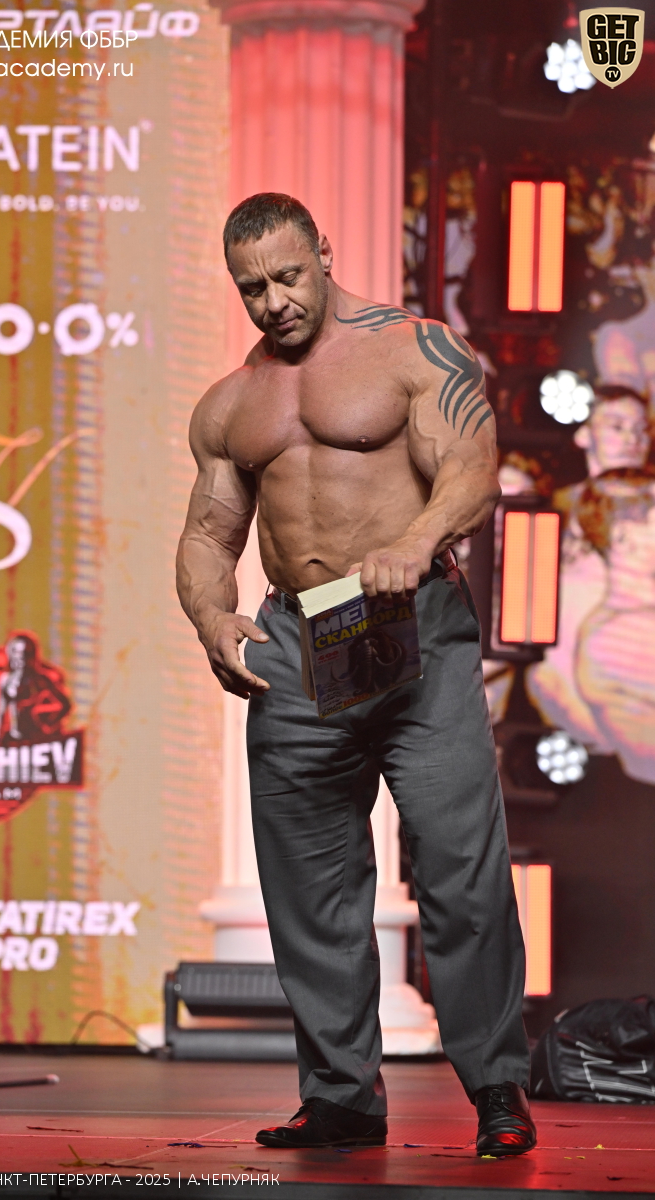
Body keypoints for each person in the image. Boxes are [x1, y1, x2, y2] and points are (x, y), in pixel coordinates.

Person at [176, 194, 535, 1155]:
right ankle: (341, 1096)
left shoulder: (416, 350)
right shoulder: (230, 403)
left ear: (325, 253)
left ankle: (498, 1087)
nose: (275, 301)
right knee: (310, 883)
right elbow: (208, 533)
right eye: (253, 288)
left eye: (289, 276)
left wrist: (416, 542)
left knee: (460, 868)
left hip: (411, 623)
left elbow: (474, 471)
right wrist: (212, 617)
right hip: (299, 641)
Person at [526, 386, 653, 772]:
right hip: (588, 706)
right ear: (584, 434)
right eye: (617, 426)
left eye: (641, 429)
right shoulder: (551, 512)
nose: (632, 439)